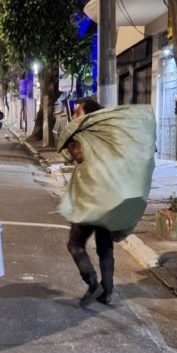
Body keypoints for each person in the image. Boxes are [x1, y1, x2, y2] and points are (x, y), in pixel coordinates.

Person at [62, 97, 115, 306]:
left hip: (90, 196)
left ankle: (92, 281)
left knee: (75, 243)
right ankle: (108, 291)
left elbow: (77, 156)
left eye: (77, 112)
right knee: (105, 245)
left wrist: (70, 138)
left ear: (88, 114)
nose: (75, 116)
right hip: (110, 196)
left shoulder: (86, 135)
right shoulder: (107, 134)